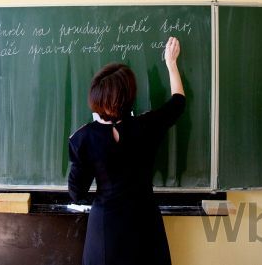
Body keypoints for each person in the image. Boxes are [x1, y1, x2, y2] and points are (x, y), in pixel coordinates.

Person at [68, 37, 185, 265]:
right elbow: (178, 103)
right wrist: (171, 63)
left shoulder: (83, 138)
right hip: (145, 223)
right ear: (130, 97)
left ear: (95, 98)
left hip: (105, 230)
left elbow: (76, 193)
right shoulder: (147, 125)